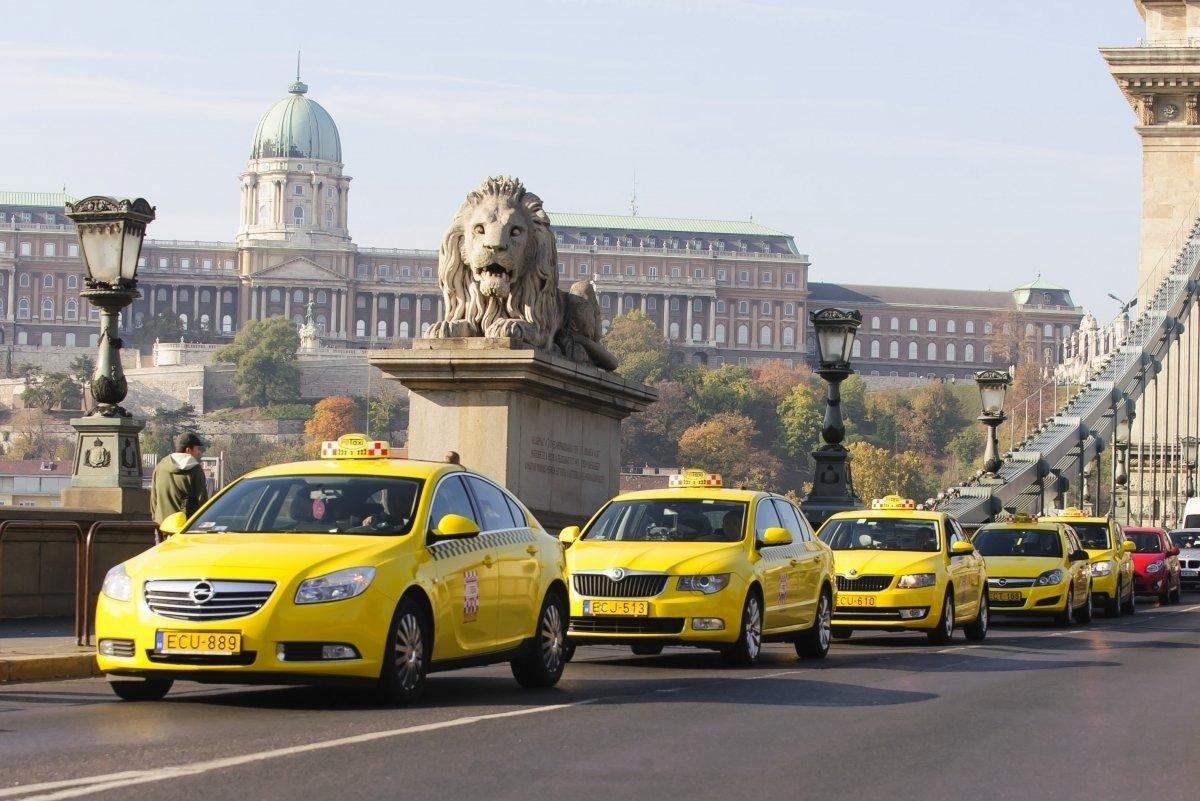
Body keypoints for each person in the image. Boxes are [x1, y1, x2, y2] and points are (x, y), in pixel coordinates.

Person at [151, 433, 210, 525]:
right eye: (197, 449)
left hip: (162, 525)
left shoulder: (160, 466)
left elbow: (154, 500)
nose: (199, 452)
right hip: (185, 527)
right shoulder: (195, 469)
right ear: (188, 450)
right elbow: (202, 501)